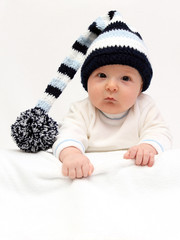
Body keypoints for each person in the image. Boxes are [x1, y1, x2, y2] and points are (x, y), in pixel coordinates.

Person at [52, 11, 172, 179]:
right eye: (102, 76)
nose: (111, 86)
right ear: (87, 81)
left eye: (125, 78)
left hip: (131, 175)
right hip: (94, 173)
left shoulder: (145, 106)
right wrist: (72, 155)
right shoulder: (81, 111)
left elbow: (160, 132)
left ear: (140, 87)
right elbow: (68, 135)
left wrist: (148, 146)